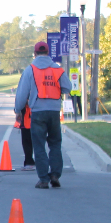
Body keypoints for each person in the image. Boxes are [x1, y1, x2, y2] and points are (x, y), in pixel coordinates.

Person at [14, 41, 71, 189]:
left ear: (35, 53)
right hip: (54, 112)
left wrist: (18, 110)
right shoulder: (57, 69)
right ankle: (55, 175)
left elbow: (22, 94)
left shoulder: (30, 70)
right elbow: (67, 87)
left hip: (37, 112)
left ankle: (44, 179)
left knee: (39, 146)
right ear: (48, 53)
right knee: (55, 144)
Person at [16, 105, 36, 171]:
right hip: (37, 119)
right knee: (34, 142)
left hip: (27, 120)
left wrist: (17, 111)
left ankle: (29, 162)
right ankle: (30, 161)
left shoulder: (26, 98)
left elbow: (20, 102)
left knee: (26, 142)